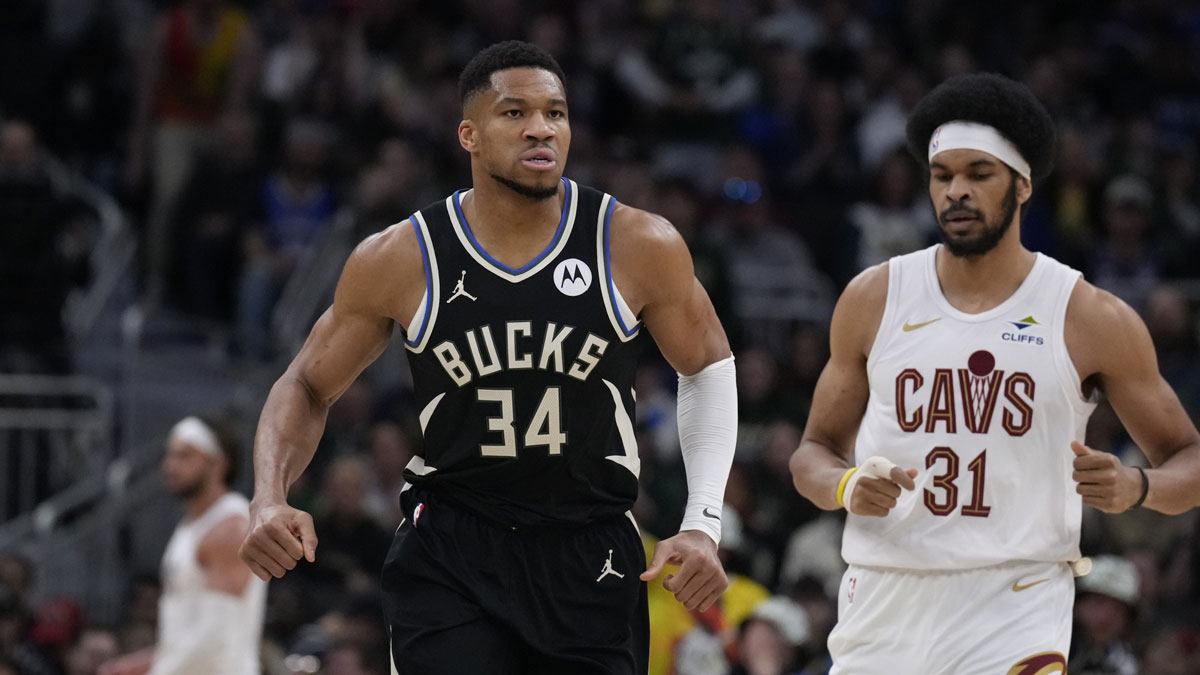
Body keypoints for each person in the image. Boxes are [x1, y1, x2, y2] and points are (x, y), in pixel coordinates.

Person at [238, 40, 738, 674]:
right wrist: (268, 498)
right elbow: (307, 385)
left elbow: (708, 367)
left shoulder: (635, 243)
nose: (540, 129)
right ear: (469, 135)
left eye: (556, 113)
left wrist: (704, 522)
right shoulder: (401, 257)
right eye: (514, 113)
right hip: (452, 546)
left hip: (590, 547)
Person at [788, 72, 1200, 673]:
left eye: (979, 174)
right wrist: (845, 486)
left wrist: (1136, 487)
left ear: (1023, 184)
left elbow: (1188, 458)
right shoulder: (873, 297)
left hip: (1016, 601)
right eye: (942, 175)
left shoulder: (1089, 316)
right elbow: (811, 453)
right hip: (883, 594)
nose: (957, 191)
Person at [101, 416, 266, 675]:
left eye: (185, 456)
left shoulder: (230, 528)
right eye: (170, 456)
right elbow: (188, 636)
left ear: (218, 465)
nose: (170, 466)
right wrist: (141, 665)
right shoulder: (193, 525)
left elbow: (218, 633)